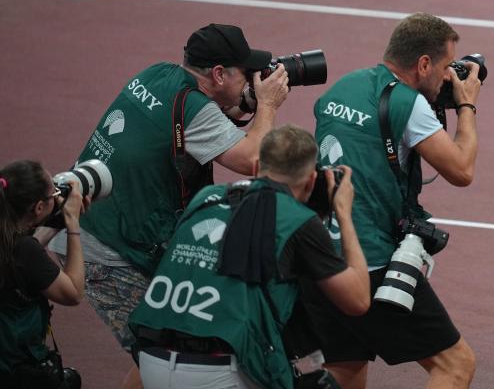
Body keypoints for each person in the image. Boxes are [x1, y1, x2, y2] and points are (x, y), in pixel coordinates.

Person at [46, 23, 290, 387]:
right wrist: (267, 105)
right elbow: (254, 159)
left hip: (96, 223)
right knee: (166, 349)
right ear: (219, 74)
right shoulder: (194, 109)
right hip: (108, 249)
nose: (252, 80)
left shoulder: (157, 74)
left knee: (157, 352)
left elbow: (186, 124)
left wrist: (239, 105)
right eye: (245, 73)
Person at [304, 12, 481, 388]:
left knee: (345, 370)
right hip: (368, 262)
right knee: (455, 365)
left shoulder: (342, 87)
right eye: (446, 67)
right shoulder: (407, 103)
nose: (449, 78)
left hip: (318, 255)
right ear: (423, 64)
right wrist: (466, 105)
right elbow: (461, 170)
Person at [128, 124, 370, 389]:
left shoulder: (205, 198)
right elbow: (357, 301)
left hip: (151, 363)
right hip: (220, 372)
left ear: (256, 168)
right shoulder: (297, 220)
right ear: (311, 180)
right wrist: (343, 213)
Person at [0, 160, 86, 388]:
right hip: (13, 370)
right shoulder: (24, 250)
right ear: (39, 208)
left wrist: (56, 222)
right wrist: (72, 223)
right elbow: (73, 293)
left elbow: (24, 260)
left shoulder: (14, 244)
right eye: (54, 194)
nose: (57, 197)